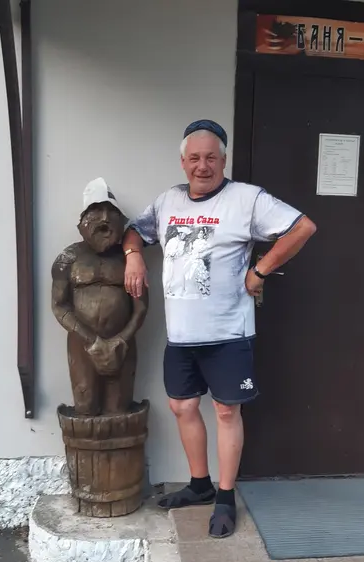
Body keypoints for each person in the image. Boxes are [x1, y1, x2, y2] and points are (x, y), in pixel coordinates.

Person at [123, 119, 316, 538]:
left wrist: (260, 270)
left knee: (227, 411)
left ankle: (225, 497)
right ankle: (200, 485)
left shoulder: (246, 199)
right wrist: (133, 255)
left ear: (223, 160)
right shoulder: (168, 201)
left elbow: (302, 227)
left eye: (211, 157)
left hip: (228, 333)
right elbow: (134, 231)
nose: (202, 166)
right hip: (181, 336)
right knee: (182, 407)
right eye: (194, 158)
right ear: (183, 162)